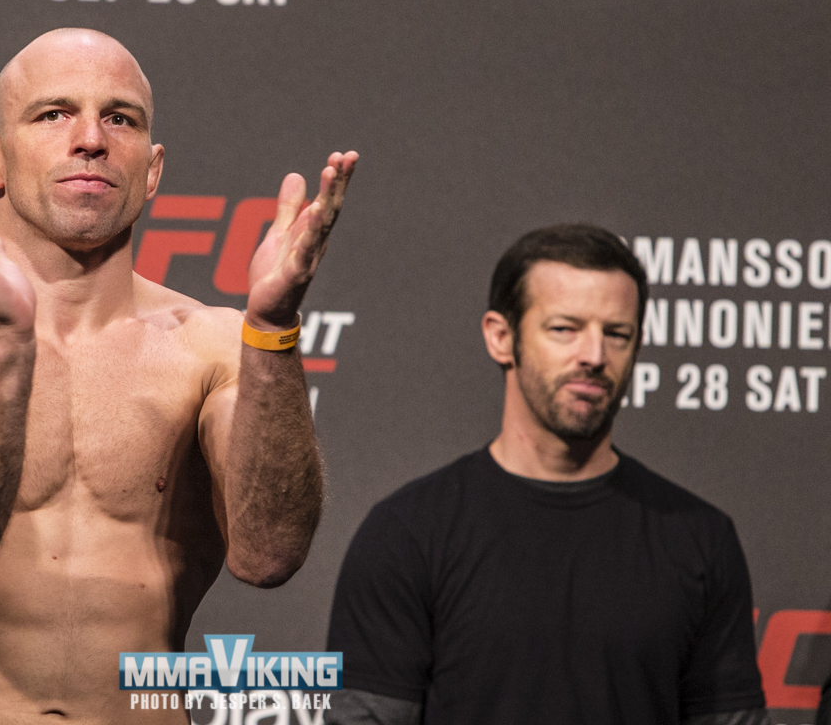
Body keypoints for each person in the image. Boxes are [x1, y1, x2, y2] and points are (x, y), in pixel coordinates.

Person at [0, 28, 357, 724]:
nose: (91, 140)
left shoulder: (214, 345)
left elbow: (268, 556)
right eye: (53, 114)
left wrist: (273, 327)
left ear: (153, 169)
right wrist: (8, 345)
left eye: (121, 119)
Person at [326, 224, 768, 725]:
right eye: (564, 329)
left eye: (617, 334)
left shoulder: (700, 538)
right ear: (501, 337)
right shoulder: (408, 533)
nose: (594, 356)